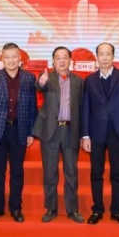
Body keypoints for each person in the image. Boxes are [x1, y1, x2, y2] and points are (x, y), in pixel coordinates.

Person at [81, 42, 119, 225]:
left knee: (117, 173)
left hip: (116, 132)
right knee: (96, 173)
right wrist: (85, 135)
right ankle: (97, 210)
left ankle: (117, 211)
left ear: (113, 56)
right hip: (96, 133)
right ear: (97, 57)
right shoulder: (90, 80)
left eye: (108, 54)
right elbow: (85, 108)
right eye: (101, 54)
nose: (105, 58)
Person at [0, 42, 37, 223]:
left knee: (17, 172)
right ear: (2, 58)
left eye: (14, 57)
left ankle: (15, 208)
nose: (11, 60)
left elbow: (32, 107)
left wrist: (31, 132)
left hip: (19, 130)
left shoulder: (29, 78)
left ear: (20, 58)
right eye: (7, 57)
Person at [33, 46, 85, 223]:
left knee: (71, 172)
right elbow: (39, 86)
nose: (62, 61)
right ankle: (51, 208)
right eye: (58, 58)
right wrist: (41, 82)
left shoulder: (79, 81)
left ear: (70, 61)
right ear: (53, 61)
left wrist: (84, 134)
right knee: (50, 172)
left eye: (65, 57)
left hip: (71, 130)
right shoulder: (47, 79)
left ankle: (72, 210)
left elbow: (82, 109)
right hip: (51, 131)